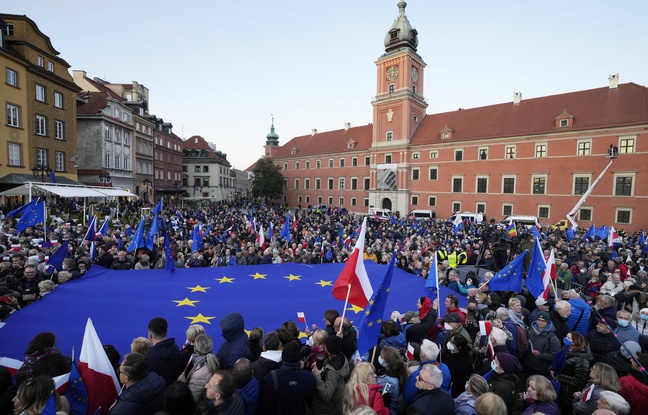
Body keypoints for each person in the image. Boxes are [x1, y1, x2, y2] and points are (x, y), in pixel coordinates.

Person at [259, 341, 316, 415]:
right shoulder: (309, 377)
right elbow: (311, 401)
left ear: (283, 357)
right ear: (299, 357)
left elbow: (265, 403)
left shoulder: (271, 377)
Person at [551, 331, 593, 412]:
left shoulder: (582, 361)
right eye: (566, 336)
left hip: (567, 392)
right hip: (559, 386)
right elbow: (557, 360)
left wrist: (559, 376)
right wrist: (552, 369)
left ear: (575, 342)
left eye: (568, 338)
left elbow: (579, 380)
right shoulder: (566, 349)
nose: (565, 339)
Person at [178, 333, 220, 413]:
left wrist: (181, 384)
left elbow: (191, 399)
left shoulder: (199, 375)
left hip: (199, 409)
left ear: (195, 349)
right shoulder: (213, 360)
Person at [311, 335, 350, 415]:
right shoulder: (342, 356)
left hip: (327, 409)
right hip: (337, 403)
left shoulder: (333, 371)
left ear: (327, 348)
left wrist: (317, 376)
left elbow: (327, 395)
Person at [146, 317, 183, 385]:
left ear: (150, 335)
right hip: (173, 391)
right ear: (167, 330)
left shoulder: (148, 356)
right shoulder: (175, 348)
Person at [375, 346, 406, 415]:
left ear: (387, 362)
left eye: (381, 357)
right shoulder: (388, 370)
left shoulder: (391, 381)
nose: (379, 357)